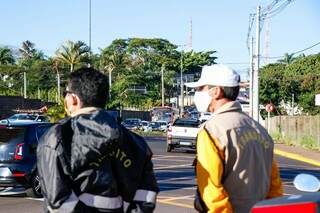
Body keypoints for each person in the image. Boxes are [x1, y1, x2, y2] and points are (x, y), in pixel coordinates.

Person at [37, 67, 158, 212]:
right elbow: (146, 198)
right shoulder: (136, 143)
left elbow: (57, 202)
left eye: (66, 94)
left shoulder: (57, 137)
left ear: (73, 99)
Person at [185, 64, 283, 213]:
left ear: (216, 91)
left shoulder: (212, 130)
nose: (197, 93)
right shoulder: (260, 130)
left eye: (200, 89)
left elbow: (212, 189)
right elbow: (274, 187)